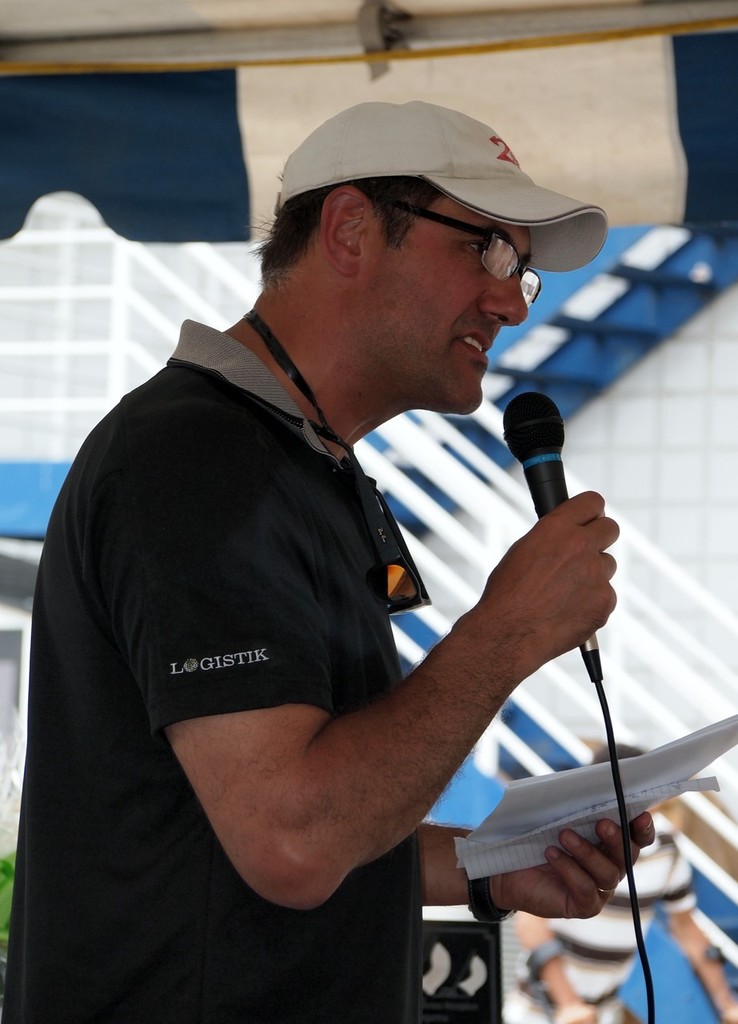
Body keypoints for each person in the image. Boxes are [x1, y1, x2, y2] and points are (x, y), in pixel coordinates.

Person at [4, 100, 654, 1022]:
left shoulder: (296, 462)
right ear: (350, 229)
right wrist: (505, 634)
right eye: (488, 249)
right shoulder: (193, 458)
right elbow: (294, 840)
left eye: (524, 271)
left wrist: (491, 870)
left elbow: (286, 824)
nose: (511, 300)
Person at [504, 744, 738, 1024]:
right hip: (539, 1013)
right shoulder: (568, 838)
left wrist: (727, 1005)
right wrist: (569, 1004)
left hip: (604, 1013)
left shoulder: (665, 848)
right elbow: (531, 924)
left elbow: (686, 928)